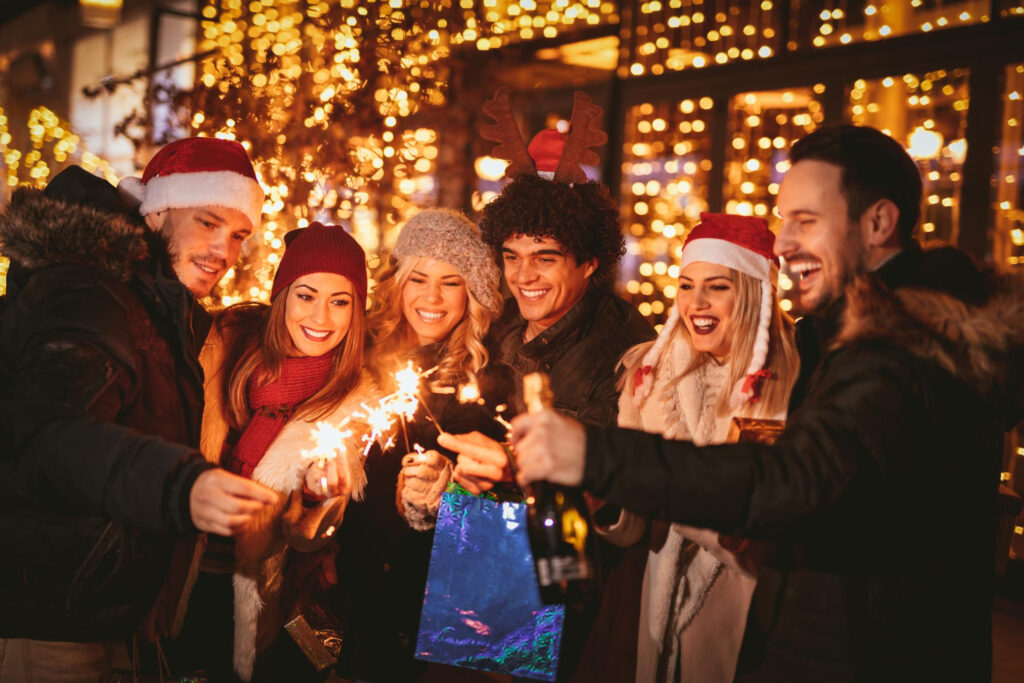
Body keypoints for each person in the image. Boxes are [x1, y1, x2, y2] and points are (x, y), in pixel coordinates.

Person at [448, 124, 1024, 680]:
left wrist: (591, 456)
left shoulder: (905, 352)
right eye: (784, 222)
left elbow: (791, 485)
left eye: (807, 221)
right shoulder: (844, 340)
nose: (788, 242)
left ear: (878, 223)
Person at [0, 138, 278, 681]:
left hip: (109, 621)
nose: (224, 250)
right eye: (207, 222)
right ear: (158, 213)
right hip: (47, 626)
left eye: (239, 235)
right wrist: (181, 486)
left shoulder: (155, 307)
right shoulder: (86, 290)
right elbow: (50, 438)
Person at [450, 88, 656, 681]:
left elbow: (599, 464)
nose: (524, 275)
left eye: (545, 257)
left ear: (589, 261)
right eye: (512, 256)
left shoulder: (625, 346)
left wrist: (512, 463)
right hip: (484, 557)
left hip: (564, 578)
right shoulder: (505, 324)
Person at [170, 222, 377, 682]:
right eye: (306, 295)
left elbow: (306, 539)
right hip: (180, 570)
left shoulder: (352, 403)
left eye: (339, 301)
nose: (321, 317)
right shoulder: (220, 345)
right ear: (283, 294)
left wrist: (319, 504)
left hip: (259, 595)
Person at [602, 213, 798, 682]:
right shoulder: (646, 375)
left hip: (753, 609)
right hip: (657, 601)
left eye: (718, 286)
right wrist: (605, 501)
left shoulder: (797, 381)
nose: (696, 302)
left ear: (755, 293)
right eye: (686, 285)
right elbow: (631, 523)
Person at [331, 208, 507, 682]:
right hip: (335, 581)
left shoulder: (485, 381)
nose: (432, 297)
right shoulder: (352, 348)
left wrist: (442, 491)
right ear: (399, 282)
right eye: (419, 279)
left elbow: (487, 485)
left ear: (472, 293)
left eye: (451, 282)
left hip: (420, 600)